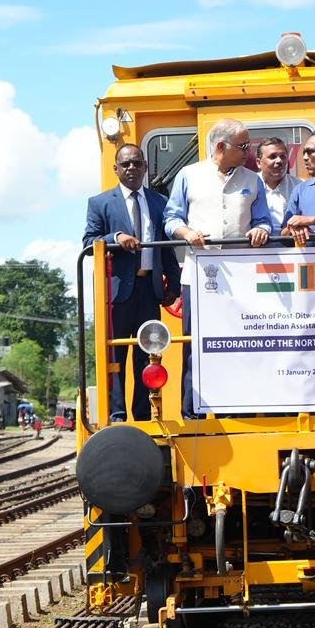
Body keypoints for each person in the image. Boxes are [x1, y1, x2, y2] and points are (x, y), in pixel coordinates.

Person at [164, 119, 274, 418]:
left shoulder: (253, 180)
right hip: (198, 275)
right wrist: (186, 233)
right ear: (221, 147)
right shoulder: (189, 175)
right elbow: (171, 218)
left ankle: (238, 410)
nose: (248, 152)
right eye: (243, 147)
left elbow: (264, 220)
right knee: (194, 345)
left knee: (241, 342)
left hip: (242, 278)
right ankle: (192, 413)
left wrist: (261, 230)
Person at [83, 144, 182, 423]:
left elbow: (167, 249)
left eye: (137, 163)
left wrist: (173, 285)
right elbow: (89, 242)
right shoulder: (100, 203)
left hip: (149, 292)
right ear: (116, 169)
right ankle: (117, 416)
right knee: (116, 358)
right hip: (116, 296)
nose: (131, 169)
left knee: (146, 358)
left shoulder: (159, 202)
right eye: (125, 164)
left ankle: (141, 416)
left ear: (145, 168)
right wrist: (116, 238)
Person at [256, 137, 299, 229]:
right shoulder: (249, 184)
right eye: (272, 157)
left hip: (289, 241)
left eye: (283, 156)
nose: (279, 161)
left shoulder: (299, 187)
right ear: (259, 163)